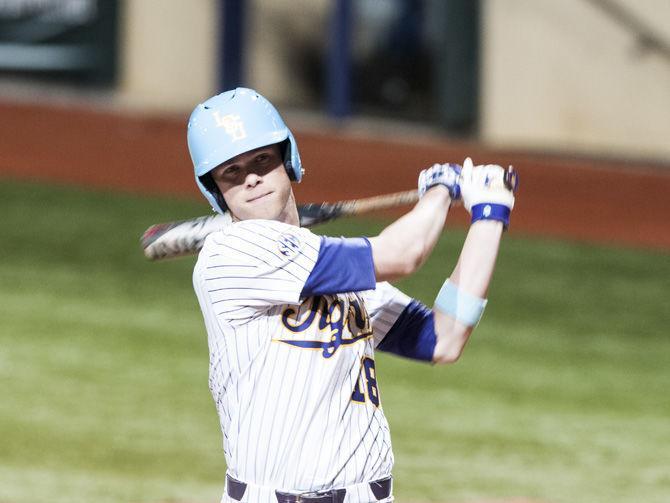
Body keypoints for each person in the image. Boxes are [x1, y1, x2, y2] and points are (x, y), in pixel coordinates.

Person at [187, 87, 515, 503]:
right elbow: (402, 254)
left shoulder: (333, 272)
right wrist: (439, 193)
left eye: (261, 160)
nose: (251, 178)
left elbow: (443, 338)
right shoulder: (231, 255)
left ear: (287, 160)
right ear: (215, 188)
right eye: (231, 171)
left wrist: (490, 216)